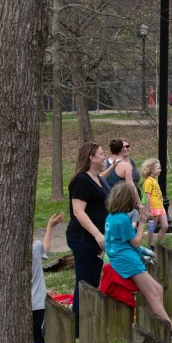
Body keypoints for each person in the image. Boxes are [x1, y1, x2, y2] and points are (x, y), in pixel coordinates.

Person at [105, 183, 172, 343]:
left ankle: (159, 324)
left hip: (124, 257)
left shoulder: (111, 217)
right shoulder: (122, 219)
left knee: (158, 289)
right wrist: (142, 221)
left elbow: (124, 242)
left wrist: (144, 250)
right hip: (127, 261)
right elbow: (136, 242)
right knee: (152, 294)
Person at [66, 141, 111, 329]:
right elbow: (79, 212)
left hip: (97, 238)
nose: (104, 156)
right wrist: (97, 234)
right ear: (91, 158)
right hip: (84, 238)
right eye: (101, 154)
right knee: (84, 282)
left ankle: (89, 321)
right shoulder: (81, 180)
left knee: (93, 280)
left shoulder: (99, 179)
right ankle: (78, 327)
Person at [32, 212, 64, 343]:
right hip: (36, 303)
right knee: (36, 340)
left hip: (25, 302)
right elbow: (46, 248)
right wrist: (50, 226)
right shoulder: (35, 247)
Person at [101, 138, 142, 224]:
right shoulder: (125, 166)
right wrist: (139, 204)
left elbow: (99, 178)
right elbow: (131, 186)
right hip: (123, 203)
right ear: (121, 149)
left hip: (108, 202)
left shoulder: (103, 163)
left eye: (127, 146)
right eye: (124, 147)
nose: (126, 148)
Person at [141, 158, 168, 247]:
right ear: (152, 170)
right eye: (158, 168)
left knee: (165, 226)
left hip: (160, 206)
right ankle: (149, 246)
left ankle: (158, 244)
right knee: (152, 227)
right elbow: (148, 196)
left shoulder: (154, 180)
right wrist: (149, 210)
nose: (160, 170)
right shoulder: (148, 181)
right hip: (154, 208)